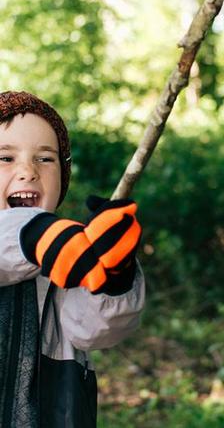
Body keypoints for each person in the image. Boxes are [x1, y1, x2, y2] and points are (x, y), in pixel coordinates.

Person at [0, 90, 145, 428]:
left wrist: (114, 274)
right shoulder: (48, 242)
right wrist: (33, 235)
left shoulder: (66, 253)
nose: (28, 171)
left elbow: (96, 331)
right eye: (5, 158)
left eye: (45, 158)